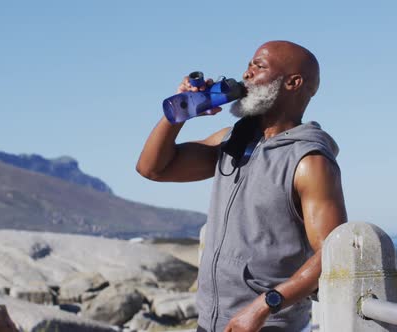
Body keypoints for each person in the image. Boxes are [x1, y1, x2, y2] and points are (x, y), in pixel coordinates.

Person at [136, 40, 347, 332]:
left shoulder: (309, 162)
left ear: (293, 82)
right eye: (248, 66)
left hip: (266, 326)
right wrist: (181, 111)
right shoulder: (231, 141)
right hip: (211, 324)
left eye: (258, 67)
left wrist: (264, 306)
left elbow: (332, 253)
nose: (246, 75)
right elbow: (152, 168)